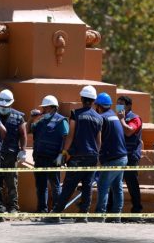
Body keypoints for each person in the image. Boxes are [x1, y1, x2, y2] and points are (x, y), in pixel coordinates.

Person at [48, 85, 102, 223]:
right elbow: (98, 141)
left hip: (77, 156)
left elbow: (70, 136)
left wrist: (64, 152)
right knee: (87, 186)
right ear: (94, 100)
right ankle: (83, 214)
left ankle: (56, 213)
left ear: (82, 98)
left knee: (68, 186)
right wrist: (97, 158)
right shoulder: (98, 118)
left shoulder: (75, 114)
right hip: (92, 156)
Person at [30, 95, 69, 214]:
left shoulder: (61, 120)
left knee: (55, 185)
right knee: (41, 186)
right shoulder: (41, 120)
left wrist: (62, 155)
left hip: (54, 159)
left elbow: (67, 138)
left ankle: (57, 211)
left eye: (45, 108)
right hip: (40, 158)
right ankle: (42, 210)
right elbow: (29, 130)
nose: (43, 110)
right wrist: (31, 119)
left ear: (52, 108)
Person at [93, 92, 128, 223]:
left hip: (112, 158)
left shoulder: (101, 118)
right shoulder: (114, 115)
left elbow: (99, 140)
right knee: (117, 186)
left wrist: (98, 157)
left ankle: (100, 215)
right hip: (123, 157)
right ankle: (116, 215)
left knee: (103, 185)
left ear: (98, 105)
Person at [0, 89, 27, 213]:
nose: (3, 108)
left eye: (6, 105)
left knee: (12, 182)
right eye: (1, 105)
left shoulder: (19, 116)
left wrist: (23, 150)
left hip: (11, 155)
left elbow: (23, 135)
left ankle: (13, 207)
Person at [115, 95, 143, 217]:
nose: (119, 107)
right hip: (118, 156)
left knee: (132, 184)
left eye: (122, 104)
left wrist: (121, 119)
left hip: (131, 156)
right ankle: (113, 209)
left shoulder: (135, 118)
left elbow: (128, 131)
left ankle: (137, 209)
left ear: (129, 106)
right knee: (115, 184)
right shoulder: (116, 118)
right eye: (118, 104)